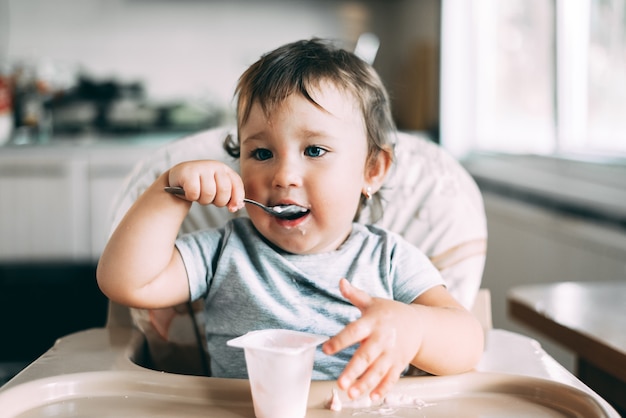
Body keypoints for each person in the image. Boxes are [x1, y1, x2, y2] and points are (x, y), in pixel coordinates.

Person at [97, 38, 484, 401]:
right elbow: (127, 282)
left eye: (314, 150)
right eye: (262, 154)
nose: (283, 176)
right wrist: (171, 191)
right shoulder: (223, 251)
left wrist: (414, 328)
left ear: (372, 170)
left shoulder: (389, 259)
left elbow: (468, 342)